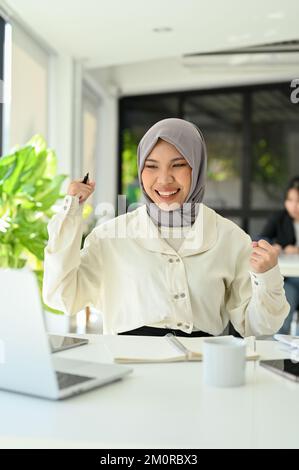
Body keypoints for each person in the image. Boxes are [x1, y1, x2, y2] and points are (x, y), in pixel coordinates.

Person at [42, 118, 289, 337]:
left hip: (199, 374)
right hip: (128, 372)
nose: (164, 179)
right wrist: (70, 214)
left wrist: (268, 277)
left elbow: (257, 328)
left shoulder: (230, 238)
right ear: (140, 171)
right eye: (151, 166)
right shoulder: (109, 236)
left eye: (178, 165)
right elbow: (62, 297)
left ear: (197, 166)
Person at [258, 176, 299, 335]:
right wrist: (275, 246)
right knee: (286, 296)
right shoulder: (279, 218)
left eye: (298, 201)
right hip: (288, 278)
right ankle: (281, 349)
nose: (294, 206)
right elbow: (261, 239)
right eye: (290, 200)